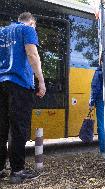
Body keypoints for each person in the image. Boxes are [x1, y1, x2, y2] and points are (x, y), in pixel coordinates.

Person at [0, 12, 46, 184]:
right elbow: (32, 55)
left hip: (1, 83)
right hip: (19, 84)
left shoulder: (2, 31)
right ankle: (17, 171)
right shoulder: (27, 30)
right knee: (18, 128)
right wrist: (41, 81)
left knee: (1, 128)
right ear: (32, 22)